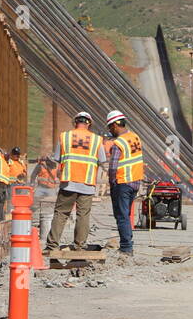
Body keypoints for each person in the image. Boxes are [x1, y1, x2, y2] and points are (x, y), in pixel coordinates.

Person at [44, 112, 104, 252]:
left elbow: (58, 158)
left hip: (68, 182)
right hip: (87, 183)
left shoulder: (64, 136)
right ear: (89, 123)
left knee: (61, 213)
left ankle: (52, 246)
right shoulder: (96, 139)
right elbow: (102, 160)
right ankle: (80, 246)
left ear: (75, 122)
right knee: (83, 215)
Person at [104, 110, 145, 256]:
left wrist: (111, 183)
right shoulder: (135, 137)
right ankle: (127, 243)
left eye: (110, 127)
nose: (110, 130)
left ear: (115, 124)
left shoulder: (118, 143)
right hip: (135, 181)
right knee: (125, 215)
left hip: (123, 182)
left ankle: (126, 247)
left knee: (121, 215)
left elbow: (113, 167)